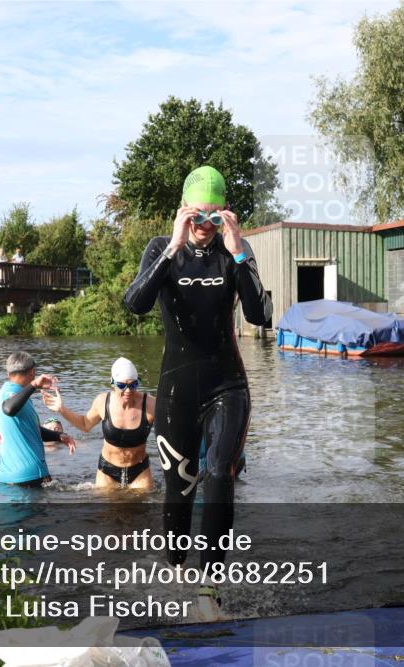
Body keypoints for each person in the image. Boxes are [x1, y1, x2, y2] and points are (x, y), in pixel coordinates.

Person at [124, 165, 272, 618]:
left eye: (213, 216)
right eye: (197, 217)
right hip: (177, 389)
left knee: (219, 473)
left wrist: (239, 252)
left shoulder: (235, 252)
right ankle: (174, 570)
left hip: (227, 383)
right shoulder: (161, 248)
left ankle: (209, 583)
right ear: (183, 213)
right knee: (179, 486)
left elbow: (259, 315)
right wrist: (172, 246)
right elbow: (135, 304)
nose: (204, 228)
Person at [42, 357, 156, 491]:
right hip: (108, 470)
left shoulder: (150, 404)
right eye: (121, 385)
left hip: (140, 470)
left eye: (133, 385)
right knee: (106, 510)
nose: (128, 391)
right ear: (112, 383)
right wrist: (62, 409)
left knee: (143, 509)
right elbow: (85, 425)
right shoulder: (103, 402)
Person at [0, 351, 76, 487]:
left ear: (8, 373)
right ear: (32, 372)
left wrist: (59, 436)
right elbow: (8, 409)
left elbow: (32, 429)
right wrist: (33, 385)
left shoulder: (16, 394)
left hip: (11, 476)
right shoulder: (10, 393)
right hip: (29, 477)